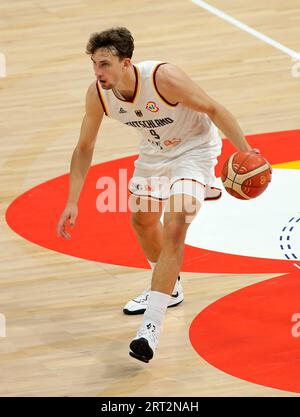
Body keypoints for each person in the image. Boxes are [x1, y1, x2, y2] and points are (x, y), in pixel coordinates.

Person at [57, 27, 255, 363]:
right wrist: (72, 200)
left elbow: (214, 108)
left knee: (176, 225)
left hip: (195, 150)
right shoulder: (99, 94)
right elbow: (84, 147)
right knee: (142, 220)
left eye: (104, 64)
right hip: (154, 154)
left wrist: (250, 153)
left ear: (126, 63)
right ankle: (170, 287)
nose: (98, 72)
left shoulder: (165, 78)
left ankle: (150, 327)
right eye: (94, 64)